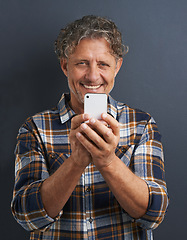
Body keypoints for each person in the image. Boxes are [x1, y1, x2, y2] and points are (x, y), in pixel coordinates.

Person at [11, 15, 169, 239]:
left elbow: (154, 215)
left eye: (103, 64)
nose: (93, 76)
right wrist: (76, 162)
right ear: (65, 66)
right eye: (82, 63)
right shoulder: (35, 128)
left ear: (117, 67)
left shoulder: (141, 126)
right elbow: (28, 216)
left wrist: (107, 161)